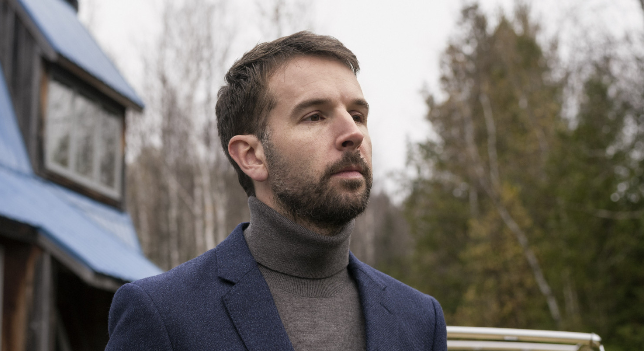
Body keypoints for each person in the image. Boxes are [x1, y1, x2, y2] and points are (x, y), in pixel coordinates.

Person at [106, 31, 447, 350]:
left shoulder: (420, 320)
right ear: (252, 156)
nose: (353, 133)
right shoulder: (163, 314)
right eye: (315, 116)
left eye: (357, 115)